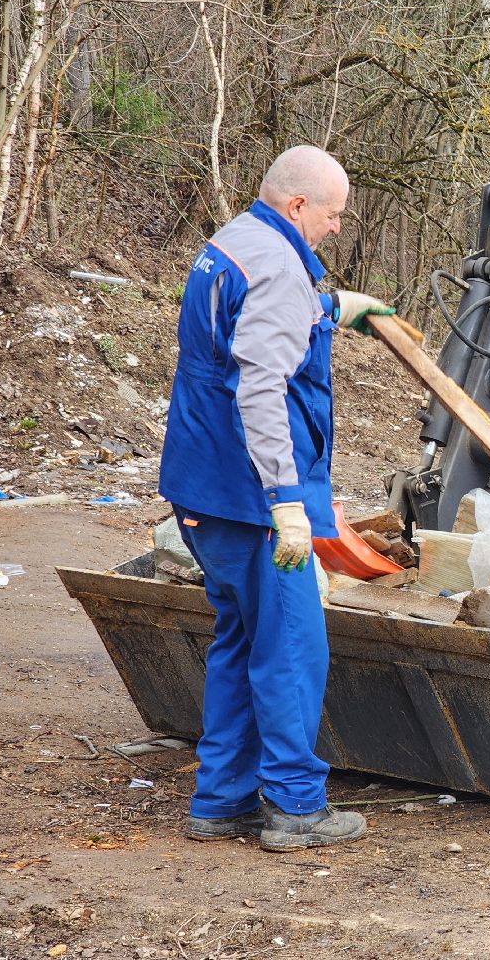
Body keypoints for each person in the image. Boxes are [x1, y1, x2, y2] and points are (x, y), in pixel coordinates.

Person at [158, 145, 393, 851]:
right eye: (331, 215)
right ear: (297, 206)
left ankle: (221, 800)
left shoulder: (231, 243)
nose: (334, 229)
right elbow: (260, 386)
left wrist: (325, 310)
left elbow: (240, 334)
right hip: (251, 498)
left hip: (200, 488)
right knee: (292, 647)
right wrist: (286, 500)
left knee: (239, 639)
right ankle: (295, 805)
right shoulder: (280, 270)